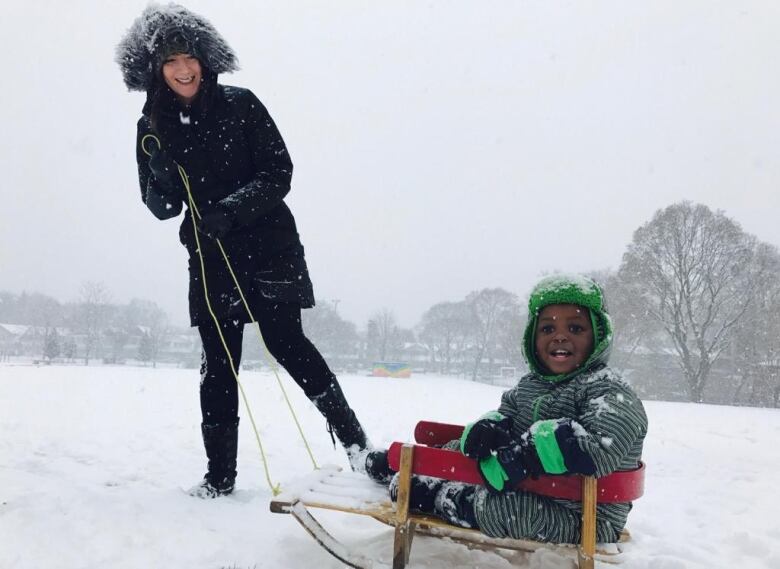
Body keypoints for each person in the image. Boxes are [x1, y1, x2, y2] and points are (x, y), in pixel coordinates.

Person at [116, 3, 383, 497]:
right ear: (155, 68)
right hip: (209, 258)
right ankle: (220, 477)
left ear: (204, 58)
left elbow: (279, 172)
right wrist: (158, 176)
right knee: (218, 365)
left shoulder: (242, 104)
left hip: (269, 247)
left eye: (189, 56)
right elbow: (161, 208)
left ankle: (358, 447)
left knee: (288, 345)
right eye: (170, 59)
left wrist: (233, 210)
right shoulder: (150, 126)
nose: (182, 68)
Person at [387, 274, 648, 543]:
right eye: (547, 329)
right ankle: (402, 468)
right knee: (460, 447)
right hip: (535, 489)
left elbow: (600, 448)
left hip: (584, 515)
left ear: (599, 337)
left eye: (576, 329)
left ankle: (442, 497)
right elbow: (508, 412)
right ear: (532, 339)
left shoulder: (609, 390)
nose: (560, 336)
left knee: (507, 509)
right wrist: (491, 426)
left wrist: (529, 451)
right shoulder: (531, 385)